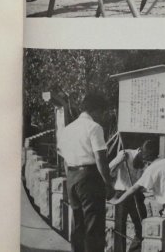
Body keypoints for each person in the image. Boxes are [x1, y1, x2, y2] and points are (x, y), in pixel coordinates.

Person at [57, 92, 113, 252]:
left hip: (72, 177)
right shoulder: (94, 127)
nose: (102, 116)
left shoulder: (68, 129)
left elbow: (64, 158)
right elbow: (100, 159)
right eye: (103, 112)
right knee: (93, 226)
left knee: (78, 224)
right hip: (90, 178)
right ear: (96, 110)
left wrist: (71, 177)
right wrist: (108, 183)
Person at [109, 141, 159, 252]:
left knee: (142, 226)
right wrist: (119, 161)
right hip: (121, 193)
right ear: (140, 151)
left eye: (147, 162)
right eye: (143, 160)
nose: (145, 164)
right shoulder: (125, 154)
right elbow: (109, 171)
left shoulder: (148, 161)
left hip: (137, 194)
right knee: (120, 228)